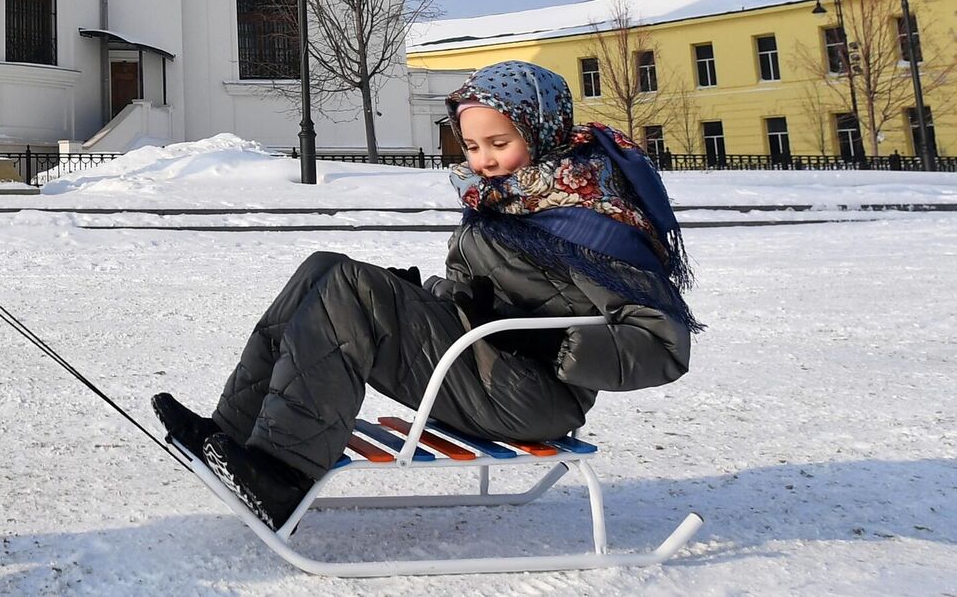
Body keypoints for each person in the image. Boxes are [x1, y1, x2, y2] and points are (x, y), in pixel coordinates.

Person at [153, 60, 697, 529]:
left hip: (533, 397)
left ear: (542, 132)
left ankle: (281, 476)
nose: (483, 160)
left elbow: (663, 346)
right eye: (473, 145)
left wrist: (556, 348)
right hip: (488, 366)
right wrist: (424, 294)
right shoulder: (501, 201)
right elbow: (477, 301)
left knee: (349, 288)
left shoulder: (593, 218)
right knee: (325, 269)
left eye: (500, 144)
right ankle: (230, 430)